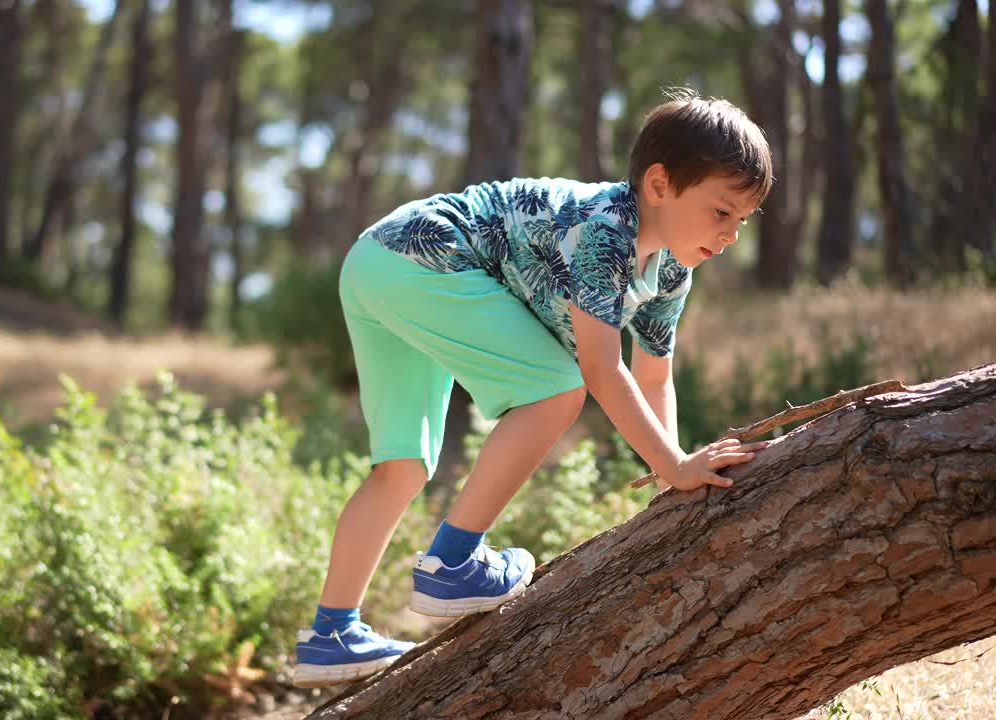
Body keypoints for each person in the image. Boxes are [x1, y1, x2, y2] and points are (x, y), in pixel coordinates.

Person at [292, 89, 775, 689]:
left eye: (742, 220)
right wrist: (675, 464)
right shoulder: (605, 232)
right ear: (659, 184)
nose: (731, 235)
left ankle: (330, 634)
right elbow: (602, 370)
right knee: (556, 389)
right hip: (422, 256)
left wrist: (668, 472)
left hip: (375, 265)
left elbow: (654, 374)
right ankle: (453, 562)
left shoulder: (672, 269)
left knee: (403, 468)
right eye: (721, 212)